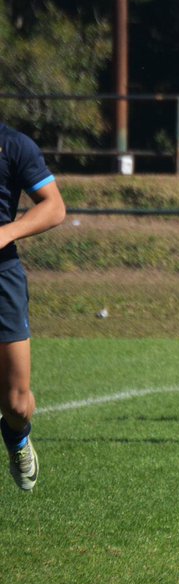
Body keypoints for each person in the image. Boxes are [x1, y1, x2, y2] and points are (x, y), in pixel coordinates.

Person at [0, 124, 66, 491]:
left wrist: (6, 233)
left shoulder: (13, 145)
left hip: (2, 277)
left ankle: (17, 437)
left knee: (17, 403)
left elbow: (55, 207)